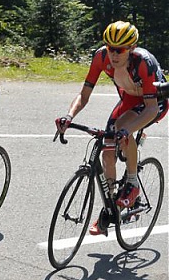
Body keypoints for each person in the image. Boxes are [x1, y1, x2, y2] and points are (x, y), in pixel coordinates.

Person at [56, 21, 167, 236]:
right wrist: (69, 116)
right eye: (110, 48)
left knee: (123, 130)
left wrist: (126, 131)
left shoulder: (144, 62)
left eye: (120, 50)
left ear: (131, 48)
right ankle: (111, 206)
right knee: (107, 147)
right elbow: (84, 93)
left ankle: (132, 184)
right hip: (129, 100)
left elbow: (151, 108)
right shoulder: (101, 58)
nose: (114, 54)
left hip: (154, 103)